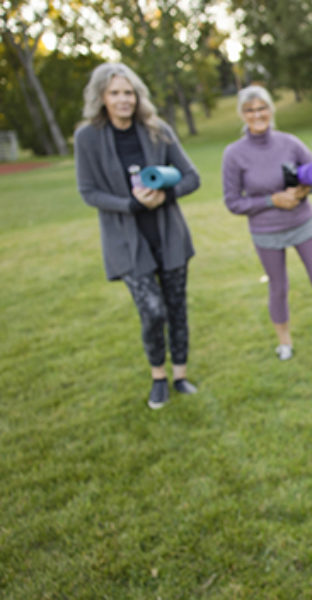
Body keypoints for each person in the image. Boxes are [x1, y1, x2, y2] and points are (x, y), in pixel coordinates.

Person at [74, 62, 202, 410]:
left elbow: (192, 177)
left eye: (128, 92)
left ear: (137, 95)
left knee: (176, 309)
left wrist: (165, 195)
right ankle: (158, 377)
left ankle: (180, 375)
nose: (123, 100)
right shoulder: (87, 137)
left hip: (169, 235)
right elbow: (88, 191)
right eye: (115, 93)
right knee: (152, 310)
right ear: (101, 96)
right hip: (126, 242)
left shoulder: (157, 129)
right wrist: (130, 204)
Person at [221, 85, 312, 363]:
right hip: (266, 232)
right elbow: (233, 202)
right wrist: (272, 200)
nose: (257, 114)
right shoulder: (234, 154)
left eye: (262, 108)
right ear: (242, 115)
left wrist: (305, 190)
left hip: (302, 223)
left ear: (271, 110)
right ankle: (284, 344)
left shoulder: (289, 143)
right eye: (250, 110)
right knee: (278, 287)